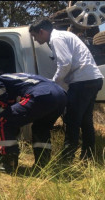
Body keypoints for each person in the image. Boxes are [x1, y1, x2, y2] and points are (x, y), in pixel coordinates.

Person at [29, 18, 104, 161]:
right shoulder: (64, 36)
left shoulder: (56, 39)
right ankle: (88, 156)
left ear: (42, 31)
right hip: (93, 79)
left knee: (72, 120)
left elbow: (65, 64)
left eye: (34, 36)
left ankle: (67, 158)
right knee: (85, 121)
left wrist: (53, 83)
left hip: (82, 81)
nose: (35, 39)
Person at [0, 68, 67, 172]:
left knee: (3, 121)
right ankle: (42, 166)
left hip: (41, 95)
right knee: (41, 128)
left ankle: (9, 164)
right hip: (61, 95)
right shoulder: (18, 76)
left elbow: (3, 102)